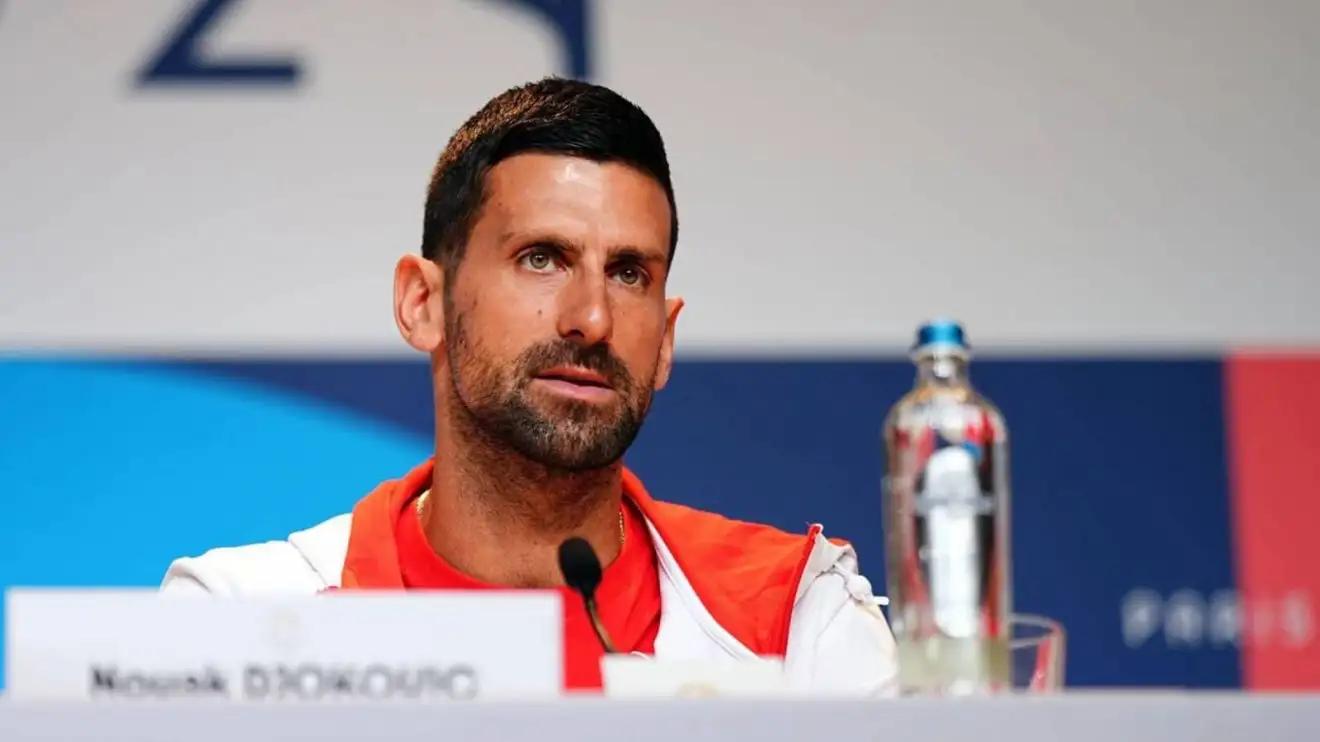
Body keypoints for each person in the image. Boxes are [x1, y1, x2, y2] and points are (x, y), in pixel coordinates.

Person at [161, 77, 899, 696]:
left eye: (629, 273)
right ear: (423, 304)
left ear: (667, 339)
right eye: (542, 259)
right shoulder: (243, 621)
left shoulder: (794, 619)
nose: (590, 318)